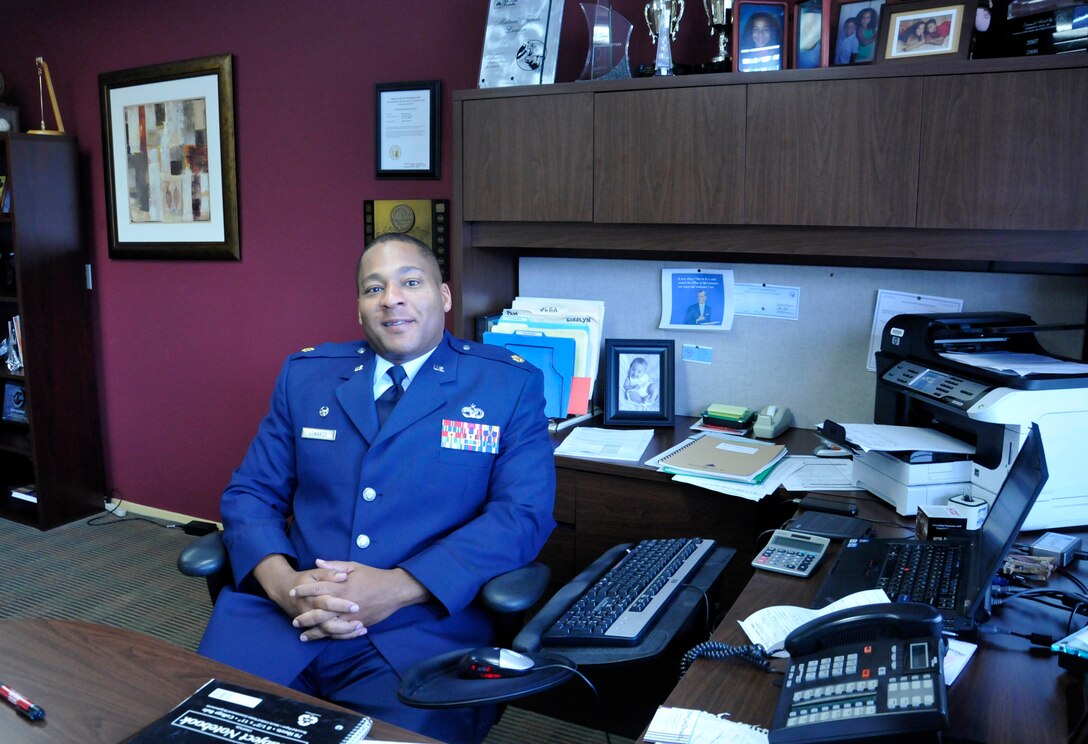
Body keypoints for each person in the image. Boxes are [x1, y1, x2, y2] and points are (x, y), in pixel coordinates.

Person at [197, 233, 557, 744]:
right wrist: (285, 587)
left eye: (411, 282)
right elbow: (251, 493)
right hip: (287, 615)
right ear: (359, 308)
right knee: (200, 730)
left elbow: (521, 516)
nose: (392, 299)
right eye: (374, 288)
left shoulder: (506, 385)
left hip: (418, 632)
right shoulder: (307, 376)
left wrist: (395, 589)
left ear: (445, 296)